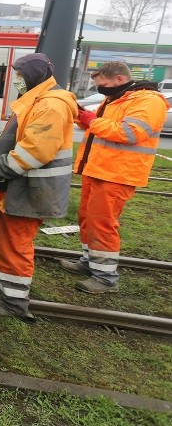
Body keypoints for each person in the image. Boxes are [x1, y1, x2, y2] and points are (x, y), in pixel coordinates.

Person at [0, 53, 78, 320]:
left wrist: (1, 169)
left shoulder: (51, 106)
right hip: (15, 185)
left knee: (15, 243)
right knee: (0, 238)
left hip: (28, 187)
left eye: (20, 75)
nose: (16, 80)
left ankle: (14, 303)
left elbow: (36, 151)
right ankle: (1, 283)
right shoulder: (37, 100)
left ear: (33, 75)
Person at [61, 61, 169, 293]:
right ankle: (90, 262)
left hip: (117, 173)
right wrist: (80, 114)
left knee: (102, 224)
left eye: (104, 84)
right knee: (87, 218)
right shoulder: (117, 98)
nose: (101, 89)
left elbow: (129, 133)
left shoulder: (147, 101)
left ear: (120, 79)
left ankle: (105, 277)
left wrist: (90, 120)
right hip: (99, 169)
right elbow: (100, 126)